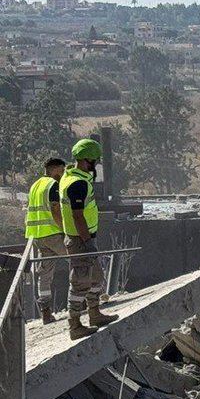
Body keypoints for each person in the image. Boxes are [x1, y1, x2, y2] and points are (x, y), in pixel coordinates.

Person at [59, 139, 118, 340]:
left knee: (96, 278)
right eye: (94, 161)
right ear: (87, 160)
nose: (96, 164)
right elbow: (77, 215)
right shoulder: (77, 184)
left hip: (84, 237)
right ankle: (74, 325)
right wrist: (86, 241)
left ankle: (94, 314)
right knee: (79, 282)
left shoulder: (70, 176)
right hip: (80, 240)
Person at [25, 157, 67, 324]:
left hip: (37, 236)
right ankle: (86, 301)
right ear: (55, 170)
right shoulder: (52, 185)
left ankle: (46, 312)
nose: (63, 175)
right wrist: (65, 230)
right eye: (62, 171)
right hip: (53, 234)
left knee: (44, 274)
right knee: (80, 261)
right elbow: (55, 209)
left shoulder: (35, 185)